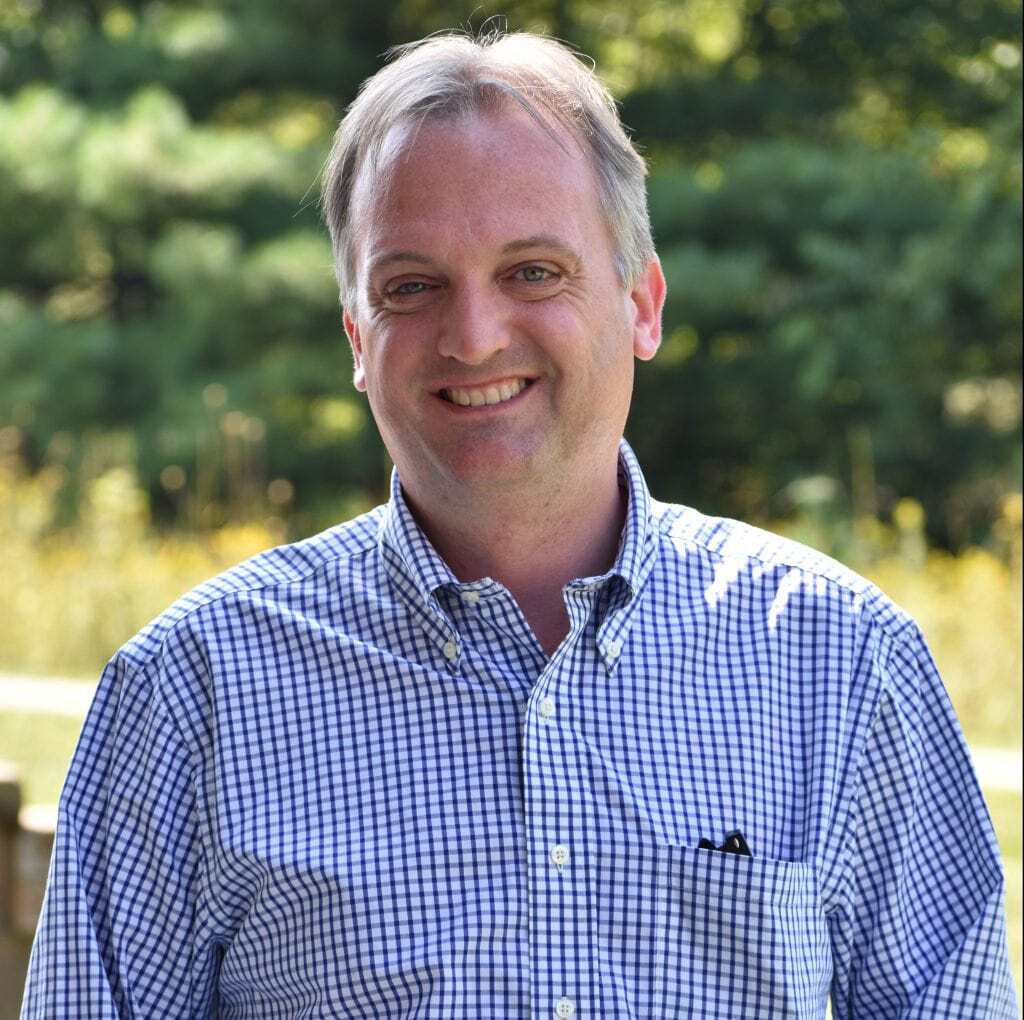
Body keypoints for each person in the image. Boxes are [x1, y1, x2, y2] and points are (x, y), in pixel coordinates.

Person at [21, 29, 1017, 1020]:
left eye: (532, 271)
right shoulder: (186, 697)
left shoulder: (841, 664)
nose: (474, 335)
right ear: (358, 341)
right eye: (411, 287)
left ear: (641, 304)